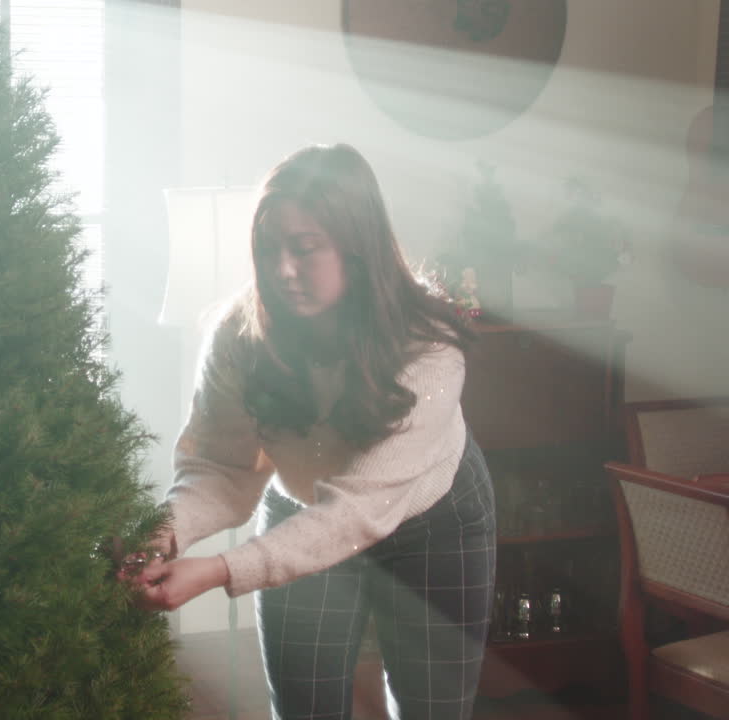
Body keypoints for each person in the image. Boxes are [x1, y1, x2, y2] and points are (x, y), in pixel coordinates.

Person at [126, 143, 496, 719]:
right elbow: (220, 470)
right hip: (302, 505)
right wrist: (163, 535)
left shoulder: (429, 347)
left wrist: (222, 571)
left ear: (359, 247)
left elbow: (354, 512)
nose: (283, 271)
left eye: (305, 249)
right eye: (269, 249)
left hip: (434, 520)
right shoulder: (239, 335)